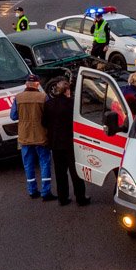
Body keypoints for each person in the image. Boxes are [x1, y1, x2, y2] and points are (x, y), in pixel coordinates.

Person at [42, 78, 90, 206]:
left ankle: (63, 198)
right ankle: (80, 197)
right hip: (70, 143)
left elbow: (44, 122)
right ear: (67, 90)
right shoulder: (72, 104)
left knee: (60, 172)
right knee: (75, 172)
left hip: (55, 143)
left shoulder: (49, 104)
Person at [10, 74, 55, 201]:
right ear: (37, 84)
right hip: (41, 135)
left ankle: (32, 190)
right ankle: (46, 192)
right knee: (45, 162)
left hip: (24, 136)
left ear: (26, 84)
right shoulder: (43, 97)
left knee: (28, 164)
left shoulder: (18, 98)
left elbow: (13, 116)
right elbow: (49, 116)